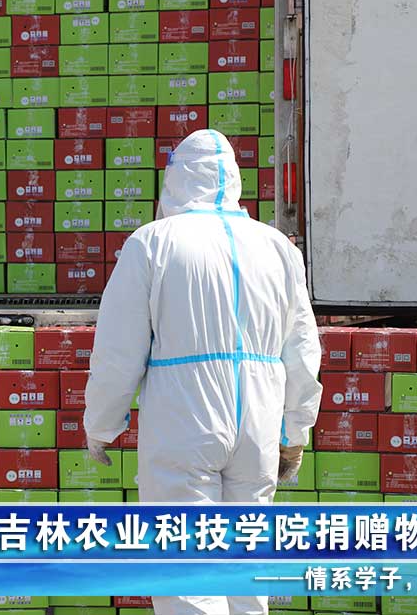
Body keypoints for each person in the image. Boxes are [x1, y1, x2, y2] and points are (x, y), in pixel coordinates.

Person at [82, 129, 322, 615]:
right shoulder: (278, 248)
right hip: (258, 423)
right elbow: (301, 348)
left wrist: (101, 425)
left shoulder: (152, 243)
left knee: (188, 567)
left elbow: (118, 350)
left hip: (184, 422)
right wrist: (295, 431)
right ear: (233, 179)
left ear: (174, 180)